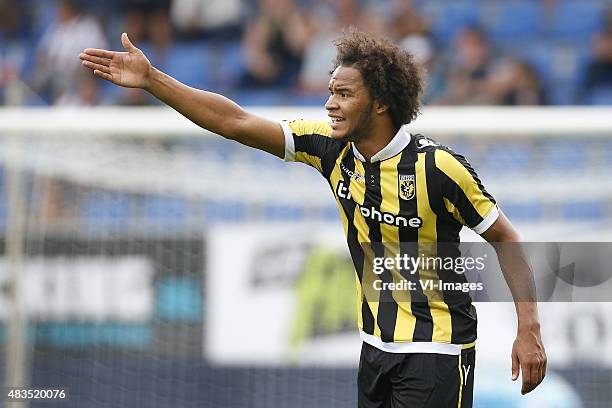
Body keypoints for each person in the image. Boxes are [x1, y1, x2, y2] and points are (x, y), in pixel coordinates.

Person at [79, 30, 547, 407]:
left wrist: (528, 330)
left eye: (343, 94)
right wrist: (153, 80)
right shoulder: (329, 148)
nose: (330, 104)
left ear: (380, 103)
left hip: (437, 353)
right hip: (375, 349)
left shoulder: (439, 169)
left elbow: (505, 238)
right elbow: (236, 121)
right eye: (330, 92)